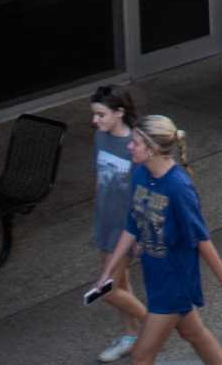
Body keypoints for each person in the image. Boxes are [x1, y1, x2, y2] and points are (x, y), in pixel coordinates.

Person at [93, 115, 222, 365]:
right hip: (155, 274)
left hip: (175, 280)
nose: (129, 146)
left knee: (141, 356)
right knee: (192, 333)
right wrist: (108, 272)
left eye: (136, 143)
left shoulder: (178, 187)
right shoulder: (140, 174)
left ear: (151, 149)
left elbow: (200, 238)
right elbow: (131, 226)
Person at [86, 86, 151, 362]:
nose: (95, 121)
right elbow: (99, 180)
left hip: (125, 229)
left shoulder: (135, 147)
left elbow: (144, 196)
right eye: (95, 115)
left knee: (107, 289)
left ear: (119, 112)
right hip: (104, 223)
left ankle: (156, 326)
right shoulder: (100, 138)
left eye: (101, 115)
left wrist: (139, 235)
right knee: (121, 285)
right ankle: (130, 336)